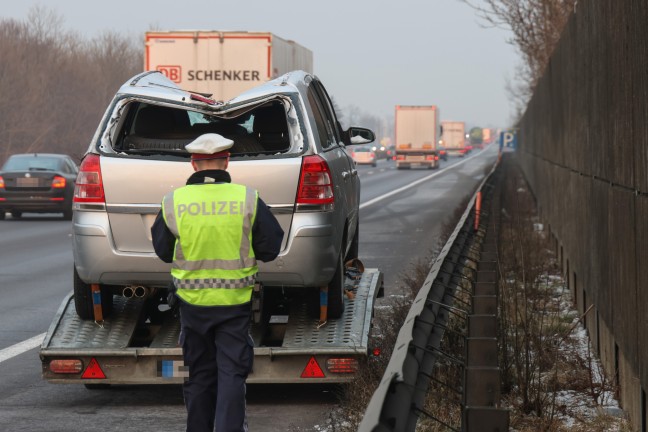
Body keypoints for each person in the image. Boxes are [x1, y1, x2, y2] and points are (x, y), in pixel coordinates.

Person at [151, 133, 284, 432]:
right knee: (232, 373)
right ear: (226, 161)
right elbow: (271, 248)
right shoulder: (247, 198)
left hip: (191, 306)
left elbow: (162, 251)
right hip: (234, 304)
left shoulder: (174, 201)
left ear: (193, 164)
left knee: (197, 375)